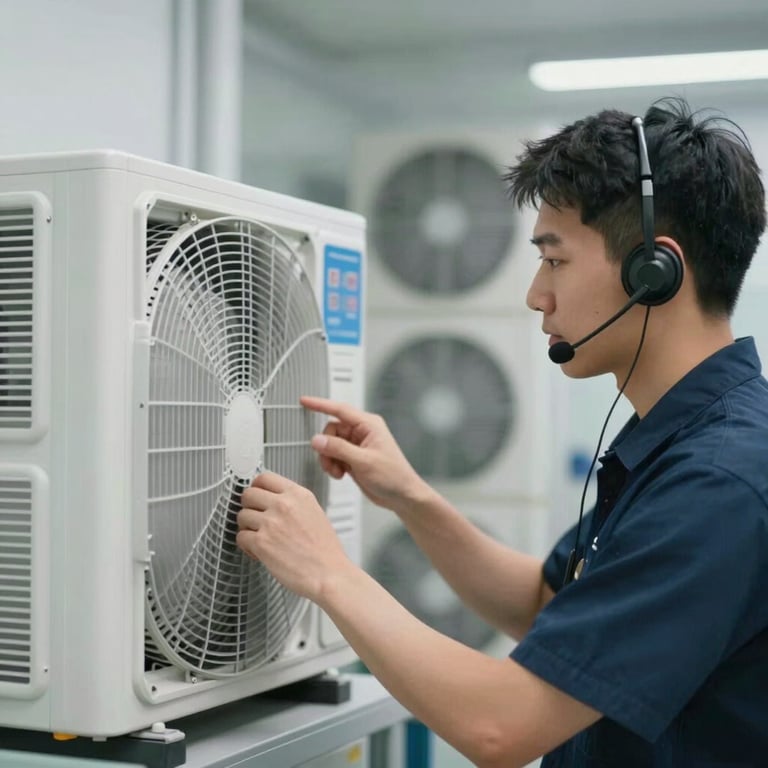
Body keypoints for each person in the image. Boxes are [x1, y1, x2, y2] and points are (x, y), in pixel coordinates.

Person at [236, 97, 768, 767]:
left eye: (555, 260)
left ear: (653, 273)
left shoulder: (719, 482)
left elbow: (500, 726)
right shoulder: (675, 441)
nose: (535, 295)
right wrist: (411, 498)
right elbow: (546, 604)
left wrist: (329, 574)